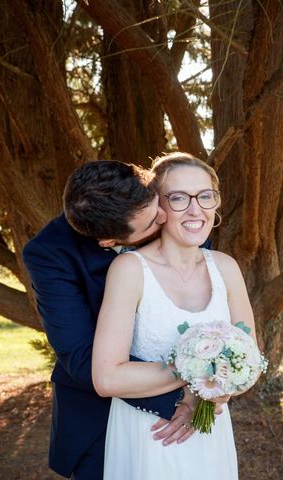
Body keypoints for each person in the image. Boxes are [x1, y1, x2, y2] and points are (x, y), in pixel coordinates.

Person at [22, 160, 201, 479]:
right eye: (149, 223)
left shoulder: (164, 210)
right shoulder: (49, 254)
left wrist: (198, 395)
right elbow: (82, 358)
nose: (165, 218)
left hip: (188, 413)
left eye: (156, 204)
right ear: (108, 242)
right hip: (97, 420)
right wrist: (189, 378)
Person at [92, 152, 258, 479]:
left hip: (211, 433)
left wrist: (215, 393)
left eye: (206, 196)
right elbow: (106, 378)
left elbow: (250, 361)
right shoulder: (129, 270)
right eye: (179, 198)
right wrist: (197, 371)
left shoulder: (226, 267)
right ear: (158, 208)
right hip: (150, 435)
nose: (196, 209)